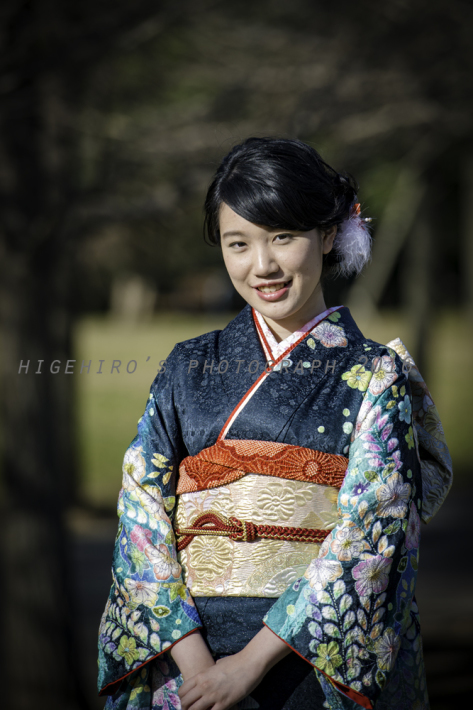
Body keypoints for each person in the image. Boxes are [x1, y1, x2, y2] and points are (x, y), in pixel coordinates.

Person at [97, 138, 453, 710]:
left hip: (307, 660)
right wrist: (196, 664)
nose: (261, 266)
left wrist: (247, 667)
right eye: (239, 244)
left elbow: (372, 537)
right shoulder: (186, 366)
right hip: (187, 658)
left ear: (329, 234)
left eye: (282, 237)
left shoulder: (374, 375)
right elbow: (141, 518)